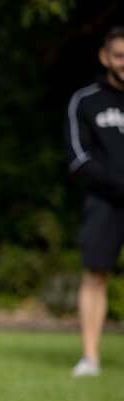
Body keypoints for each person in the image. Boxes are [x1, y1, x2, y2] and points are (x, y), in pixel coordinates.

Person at [65, 26, 124, 377]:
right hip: (104, 203)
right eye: (120, 56)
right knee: (95, 276)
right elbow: (78, 158)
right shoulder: (85, 100)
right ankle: (90, 358)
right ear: (105, 57)